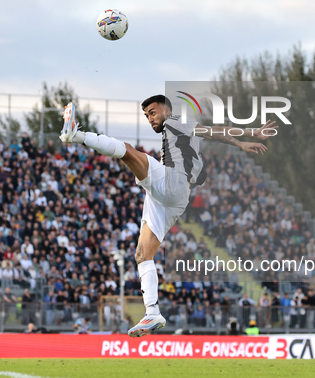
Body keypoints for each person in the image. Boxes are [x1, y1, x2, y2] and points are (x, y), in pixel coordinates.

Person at [60, 95, 273, 337]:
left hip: (173, 183)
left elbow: (213, 131)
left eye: (153, 112)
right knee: (142, 254)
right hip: (172, 199)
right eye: (146, 115)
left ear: (166, 109)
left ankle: (76, 135)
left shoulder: (175, 121)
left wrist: (249, 136)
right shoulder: (172, 136)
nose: (150, 118)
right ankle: (152, 312)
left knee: (129, 152)